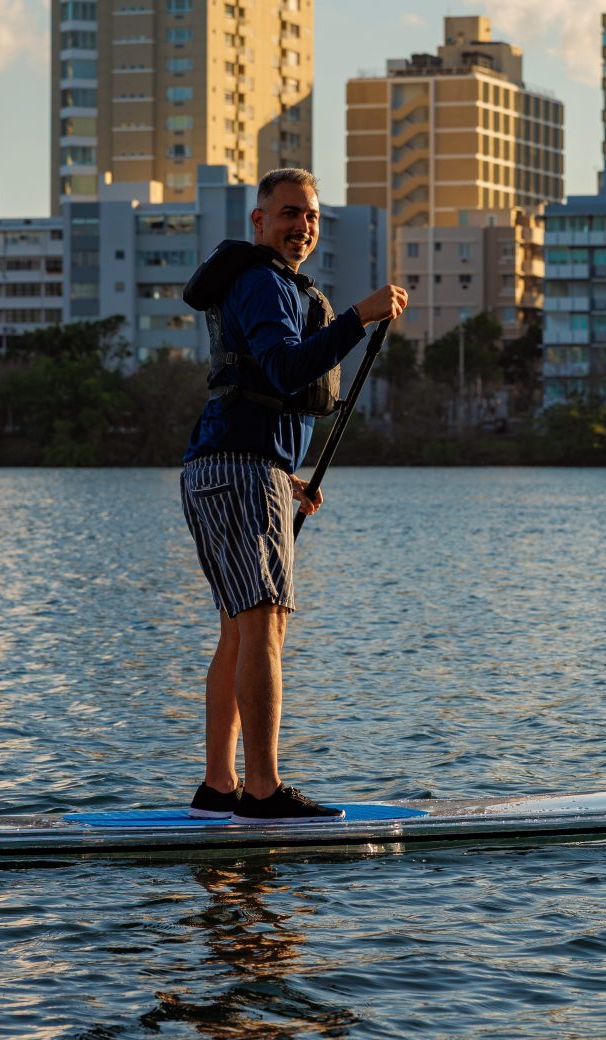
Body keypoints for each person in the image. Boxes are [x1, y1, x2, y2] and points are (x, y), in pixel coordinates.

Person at [180, 168, 407, 824]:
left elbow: (260, 391)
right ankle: (262, 792)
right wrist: (359, 319)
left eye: (309, 216)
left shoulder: (263, 281)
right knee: (263, 625)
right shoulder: (262, 281)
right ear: (258, 221)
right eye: (288, 214)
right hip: (238, 471)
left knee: (240, 630)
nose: (301, 226)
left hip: (239, 469)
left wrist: (284, 477)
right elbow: (283, 367)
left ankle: (219, 787)